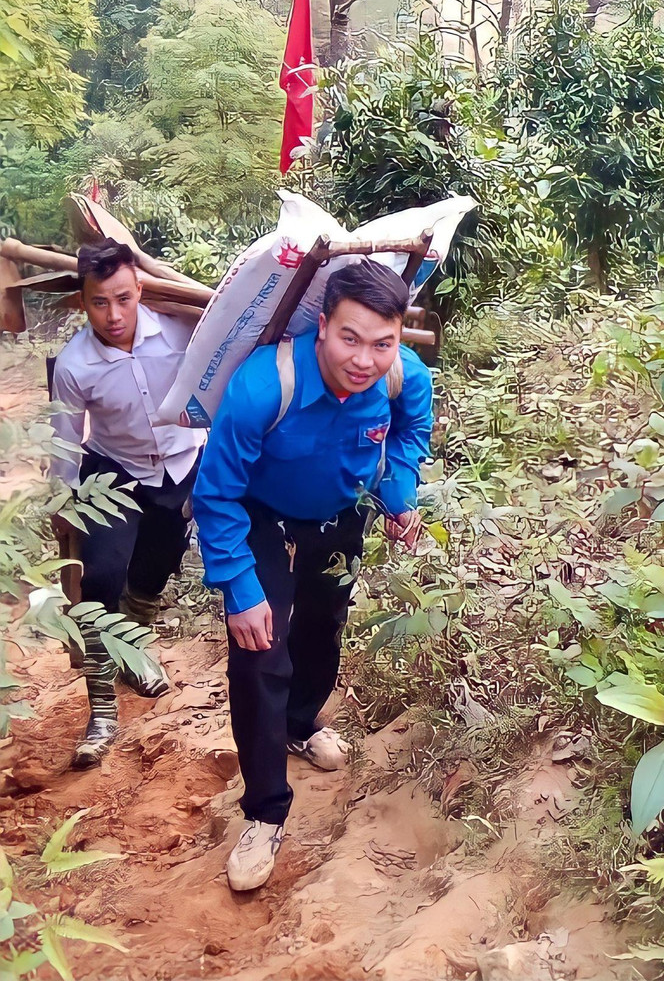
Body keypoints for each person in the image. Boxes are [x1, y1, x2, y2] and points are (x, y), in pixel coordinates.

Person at [192, 260, 433, 892]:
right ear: (322, 327)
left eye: (383, 343)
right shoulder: (263, 388)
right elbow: (216, 493)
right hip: (260, 519)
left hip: (335, 518)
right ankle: (266, 812)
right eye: (350, 338)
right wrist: (240, 589)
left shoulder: (403, 378)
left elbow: (411, 435)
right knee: (259, 650)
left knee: (324, 630)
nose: (365, 359)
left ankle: (301, 723)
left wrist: (399, 493)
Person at [51, 239, 205, 769]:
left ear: (140, 288)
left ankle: (134, 652)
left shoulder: (184, 328)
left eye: (123, 298)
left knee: (152, 576)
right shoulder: (75, 365)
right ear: (83, 302)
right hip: (112, 470)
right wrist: (62, 502)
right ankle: (100, 711)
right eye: (99, 302)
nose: (113, 315)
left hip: (181, 466)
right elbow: (66, 441)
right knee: (101, 578)